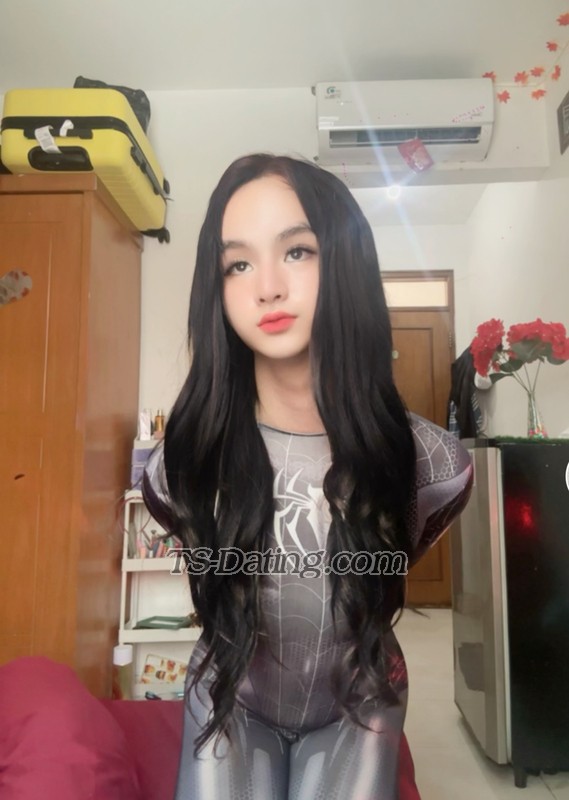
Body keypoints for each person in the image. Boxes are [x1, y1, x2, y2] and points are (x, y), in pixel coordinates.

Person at [143, 153, 473, 800]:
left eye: (296, 251)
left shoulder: (432, 462)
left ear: (345, 262)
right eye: (237, 265)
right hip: (232, 695)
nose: (266, 287)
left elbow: (393, 554)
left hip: (360, 699)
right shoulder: (182, 461)